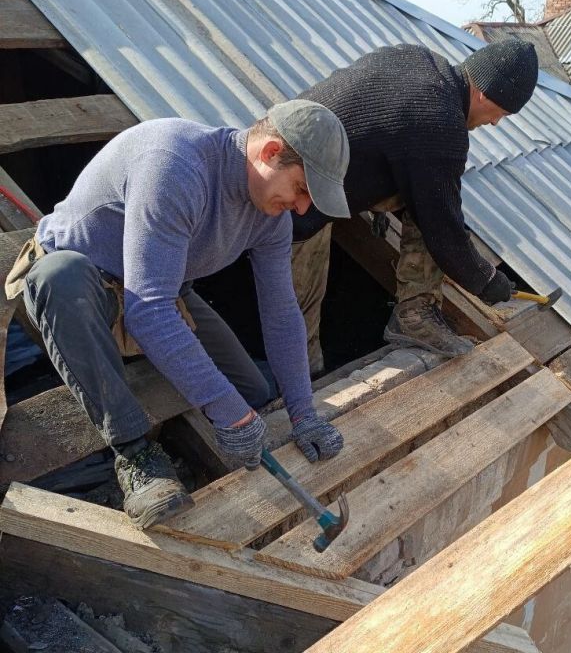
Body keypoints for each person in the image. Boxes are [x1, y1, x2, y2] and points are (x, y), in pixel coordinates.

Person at [4, 100, 350, 530]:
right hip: (85, 288)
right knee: (59, 277)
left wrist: (303, 412)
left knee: (251, 390)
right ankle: (136, 456)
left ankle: (202, 433)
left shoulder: (270, 218)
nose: (301, 208)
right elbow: (149, 312)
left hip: (157, 291)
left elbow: (282, 312)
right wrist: (228, 412)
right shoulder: (176, 166)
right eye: (300, 189)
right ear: (269, 152)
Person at [290, 38, 539, 372]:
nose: (495, 123)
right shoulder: (441, 123)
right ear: (484, 94)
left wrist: (368, 198)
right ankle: (303, 388)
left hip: (295, 162)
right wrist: (485, 279)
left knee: (423, 196)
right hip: (291, 202)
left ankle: (410, 314)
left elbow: (366, 125)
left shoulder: (414, 58)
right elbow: (444, 228)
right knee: (296, 316)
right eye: (501, 113)